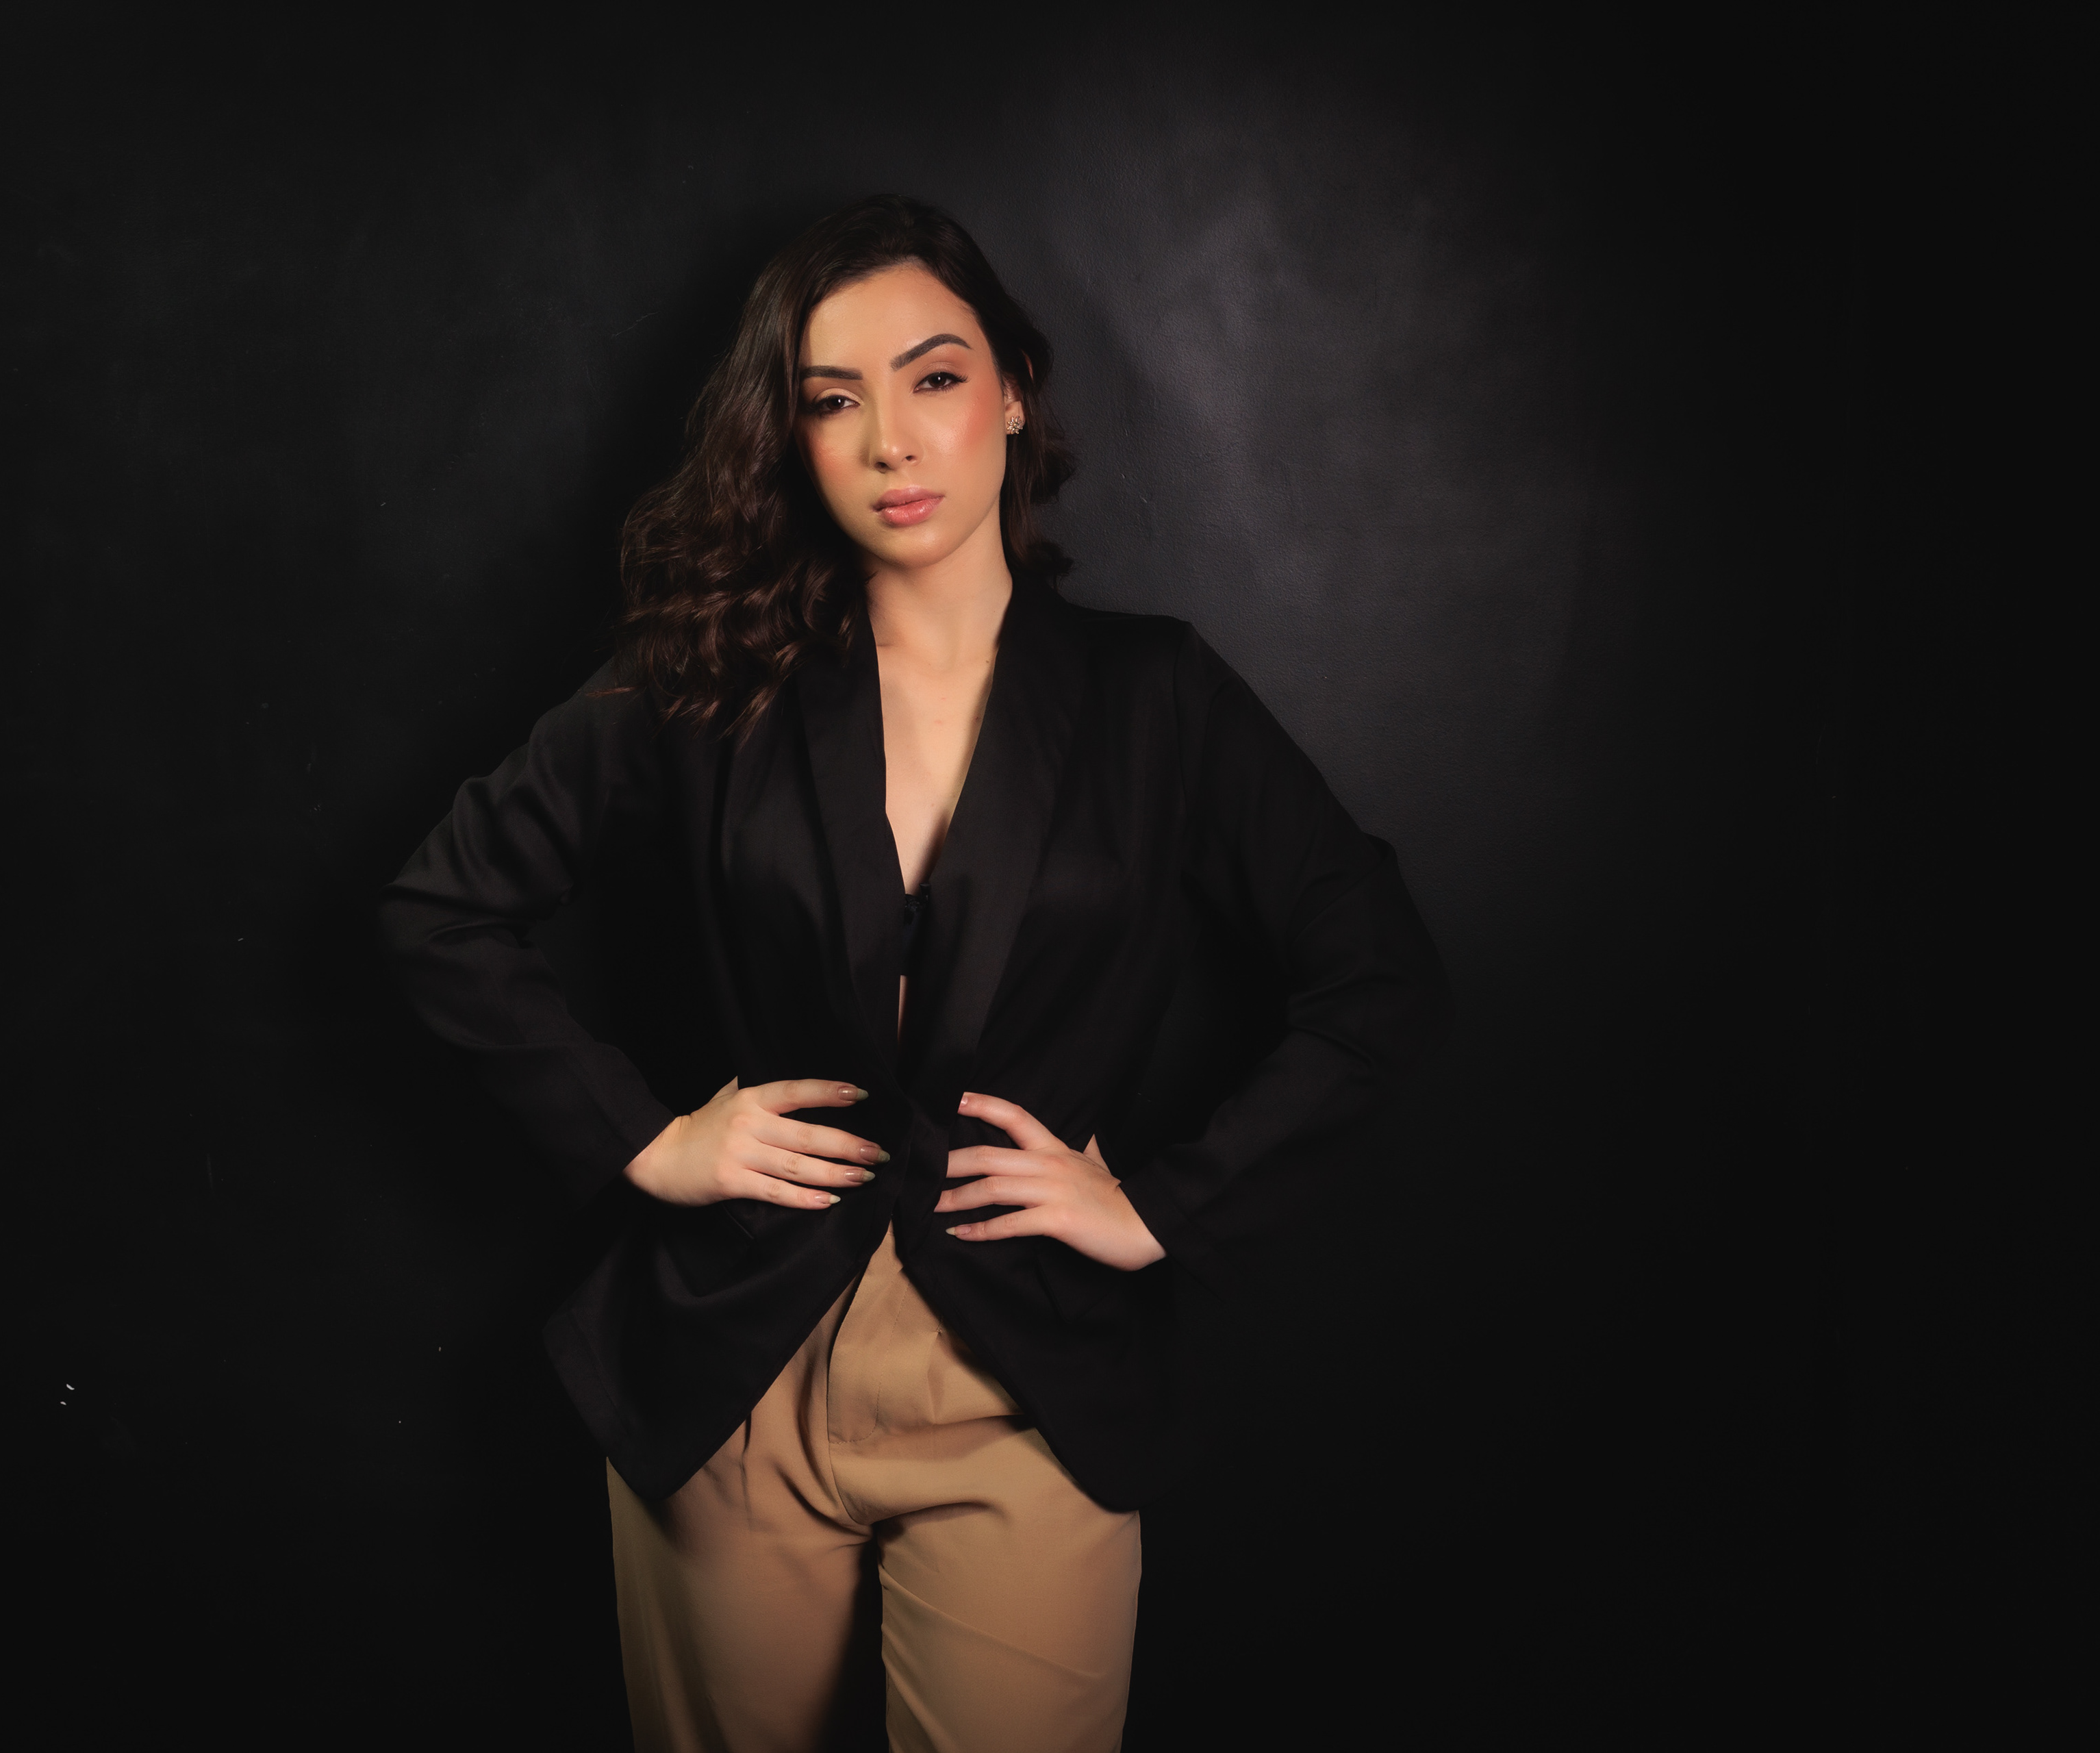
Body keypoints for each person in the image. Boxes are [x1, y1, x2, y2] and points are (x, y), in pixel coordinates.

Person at [382, 194, 1445, 1753]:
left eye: (934, 377)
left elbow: (1379, 977)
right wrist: (649, 1139)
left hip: (1028, 1382)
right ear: (794, 439)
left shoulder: (1157, 699)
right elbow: (445, 907)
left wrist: (1163, 1208)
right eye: (833, 400)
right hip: (731, 1368)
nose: (892, 441)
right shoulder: (710, 674)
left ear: (1014, 390)